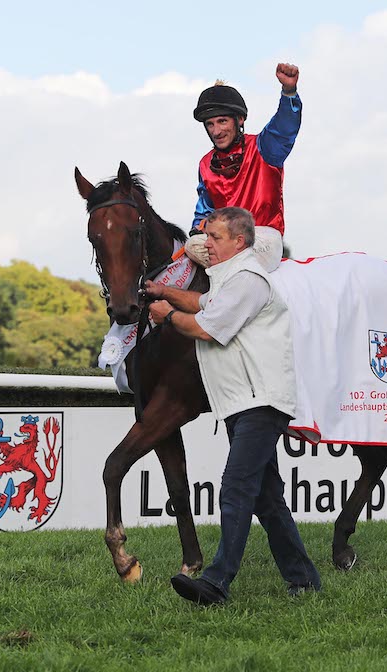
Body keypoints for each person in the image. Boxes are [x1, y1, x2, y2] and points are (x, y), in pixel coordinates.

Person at [146, 206, 321, 605]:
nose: (206, 243)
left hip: (260, 401)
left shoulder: (247, 280)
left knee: (236, 487)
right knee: (266, 498)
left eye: (215, 237)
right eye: (206, 235)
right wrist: (165, 291)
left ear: (239, 242)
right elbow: (202, 303)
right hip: (245, 401)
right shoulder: (231, 278)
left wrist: (167, 315)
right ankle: (304, 580)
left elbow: (206, 328)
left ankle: (217, 582)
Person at [184, 63, 302, 273]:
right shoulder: (205, 164)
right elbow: (205, 212)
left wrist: (289, 92)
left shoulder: (264, 147)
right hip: (226, 242)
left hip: (263, 237)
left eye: (222, 121)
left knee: (233, 251)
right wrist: (199, 227)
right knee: (192, 245)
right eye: (210, 124)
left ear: (239, 120)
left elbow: (284, 126)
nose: (216, 131)